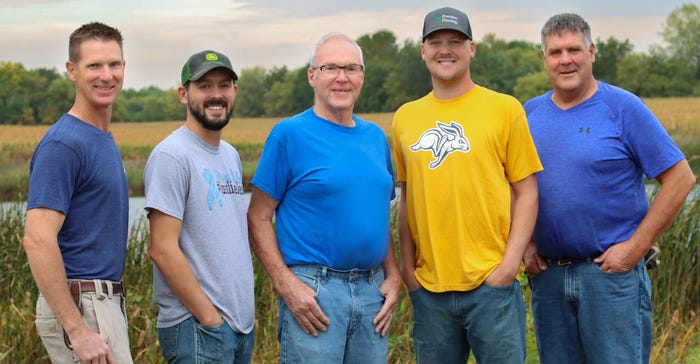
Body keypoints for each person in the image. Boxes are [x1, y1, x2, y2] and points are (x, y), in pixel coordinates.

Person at [523, 13, 697, 363]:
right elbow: (515, 189)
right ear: (544, 59)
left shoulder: (623, 108)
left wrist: (636, 247)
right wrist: (525, 245)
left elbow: (680, 179)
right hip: (550, 279)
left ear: (591, 51)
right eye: (555, 52)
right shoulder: (529, 115)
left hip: (609, 278)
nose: (566, 59)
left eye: (574, 49)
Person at [391, 7, 543, 363]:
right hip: (429, 291)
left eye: (455, 42)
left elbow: (527, 191)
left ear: (471, 48)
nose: (446, 50)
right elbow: (406, 197)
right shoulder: (405, 118)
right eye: (436, 42)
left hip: (492, 287)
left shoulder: (504, 109)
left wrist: (508, 266)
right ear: (423, 51)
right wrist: (409, 271)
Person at [247, 33, 402, 364]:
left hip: (372, 293)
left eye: (352, 68)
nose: (342, 77)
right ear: (312, 75)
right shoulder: (289, 135)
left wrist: (394, 275)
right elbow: (258, 216)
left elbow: (377, 216)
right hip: (315, 292)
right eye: (330, 67)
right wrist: (286, 285)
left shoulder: (375, 137)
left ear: (362, 76)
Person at [23, 22, 132, 363]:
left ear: (124, 67)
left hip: (101, 303)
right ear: (72, 71)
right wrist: (77, 330)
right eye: (94, 65)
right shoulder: (64, 144)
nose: (106, 75)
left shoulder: (100, 137)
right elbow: (38, 239)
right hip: (84, 307)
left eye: (114, 64)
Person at [144, 50, 255, 363]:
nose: (216, 95)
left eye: (224, 85)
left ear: (234, 91)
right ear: (184, 94)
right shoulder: (172, 155)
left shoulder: (230, 155)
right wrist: (210, 320)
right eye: (204, 86)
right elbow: (162, 249)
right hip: (197, 329)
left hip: (238, 328)